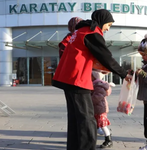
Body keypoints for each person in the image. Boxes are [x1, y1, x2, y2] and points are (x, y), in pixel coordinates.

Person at [52, 9, 129, 150]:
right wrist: (125, 74)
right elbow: (106, 57)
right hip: (77, 80)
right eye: (109, 25)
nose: (107, 29)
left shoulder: (80, 31)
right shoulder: (91, 33)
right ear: (102, 21)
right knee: (87, 119)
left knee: (76, 118)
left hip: (68, 79)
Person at [91, 70, 114, 148]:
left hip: (100, 109)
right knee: (97, 124)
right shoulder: (96, 84)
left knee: (103, 125)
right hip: (97, 108)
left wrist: (89, 100)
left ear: (94, 77)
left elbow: (97, 97)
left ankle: (108, 139)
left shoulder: (98, 86)